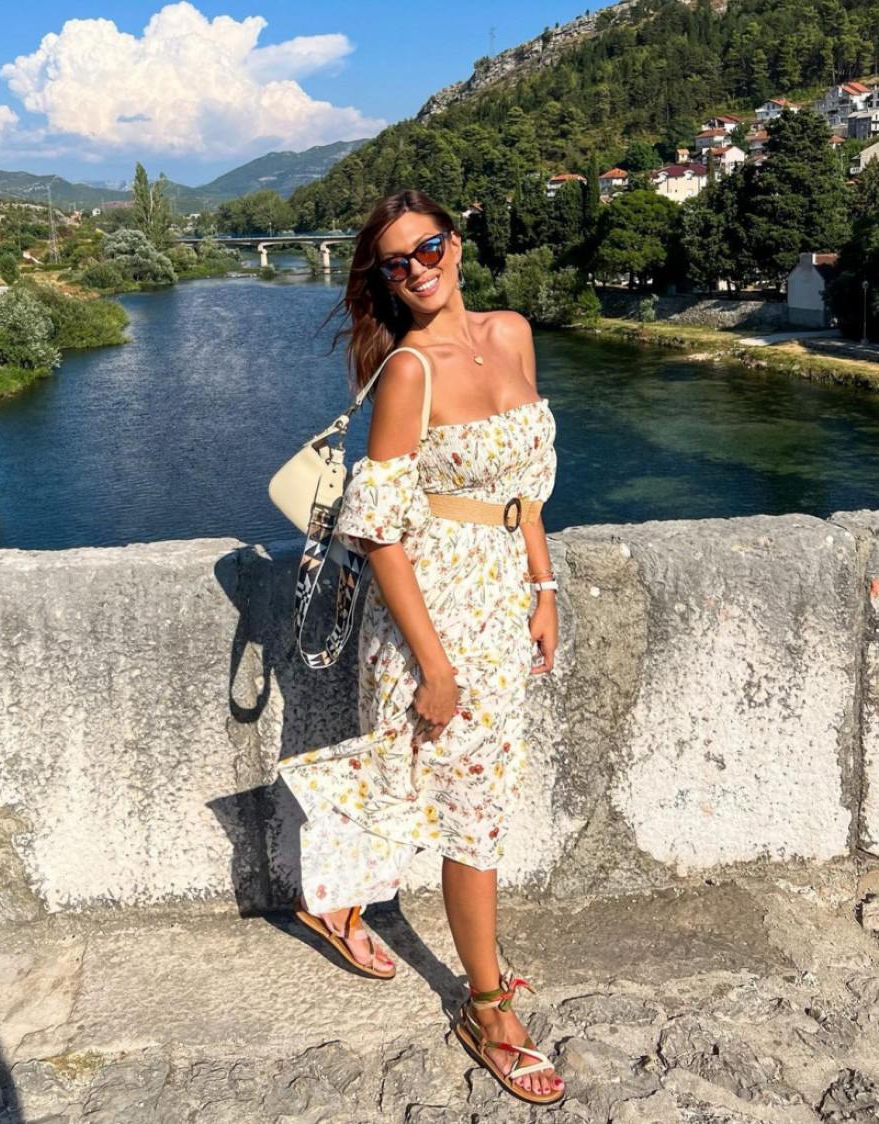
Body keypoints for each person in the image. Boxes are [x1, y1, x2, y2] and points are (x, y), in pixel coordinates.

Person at [278, 189, 562, 1106]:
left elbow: (525, 487)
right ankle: (487, 1007)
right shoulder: (408, 371)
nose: (417, 270)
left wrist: (544, 587)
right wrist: (434, 666)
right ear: (386, 279)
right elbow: (379, 533)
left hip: (501, 599)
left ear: (456, 244)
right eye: (396, 263)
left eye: (428, 248)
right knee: (467, 811)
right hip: (432, 615)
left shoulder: (512, 333)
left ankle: (337, 900)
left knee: (448, 787)